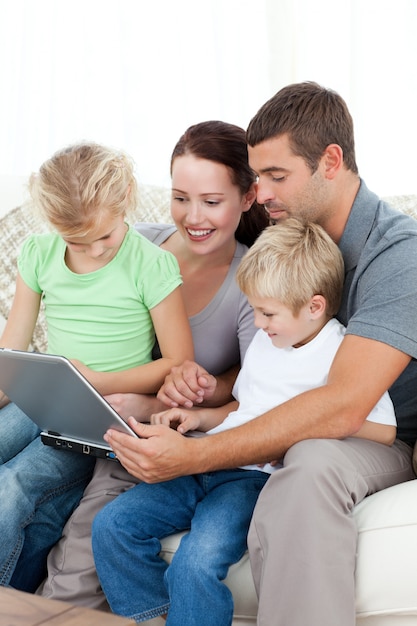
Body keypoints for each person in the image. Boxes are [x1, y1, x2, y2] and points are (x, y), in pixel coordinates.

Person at [98, 82, 417, 626]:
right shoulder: (282, 241)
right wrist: (191, 416)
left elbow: (343, 407)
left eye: (276, 176)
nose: (262, 192)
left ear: (331, 162)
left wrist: (197, 454)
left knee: (311, 461)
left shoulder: (398, 255)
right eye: (256, 177)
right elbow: (255, 378)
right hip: (271, 432)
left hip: (378, 433)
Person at [92, 218, 397, 625]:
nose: (257, 323)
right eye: (254, 310)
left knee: (195, 563)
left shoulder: (342, 353)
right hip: (206, 458)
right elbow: (244, 408)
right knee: (112, 526)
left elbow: (383, 430)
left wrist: (299, 418)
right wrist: (198, 416)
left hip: (252, 480)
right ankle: (154, 618)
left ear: (314, 307)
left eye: (267, 313)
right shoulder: (269, 340)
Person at [26, 121, 269, 606]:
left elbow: (254, 383)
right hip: (90, 414)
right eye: (180, 197)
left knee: (85, 540)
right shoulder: (130, 244)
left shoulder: (255, 277)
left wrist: (168, 395)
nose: (192, 216)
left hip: (162, 431)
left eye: (211, 201)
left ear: (247, 198)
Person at [0, 141, 194, 591]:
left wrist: (98, 381)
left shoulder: (152, 265)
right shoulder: (38, 254)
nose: (96, 250)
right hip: (39, 398)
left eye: (105, 236)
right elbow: (12, 351)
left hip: (94, 417)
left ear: (126, 196)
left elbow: (178, 362)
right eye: (76, 241)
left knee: (13, 485)